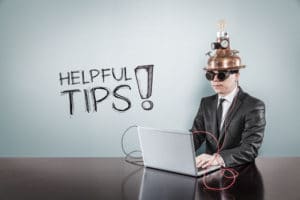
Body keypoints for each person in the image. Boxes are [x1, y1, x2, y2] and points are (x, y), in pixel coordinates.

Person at [191, 26, 266, 168]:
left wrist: (218, 159)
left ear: (236, 75)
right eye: (210, 75)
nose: (215, 80)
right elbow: (196, 135)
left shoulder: (254, 106)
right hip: (208, 172)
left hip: (240, 174)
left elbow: (250, 148)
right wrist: (176, 153)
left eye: (221, 75)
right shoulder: (206, 103)